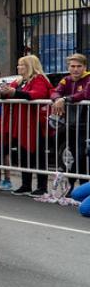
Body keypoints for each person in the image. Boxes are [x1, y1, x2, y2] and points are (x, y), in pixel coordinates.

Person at [0, 55, 53, 196]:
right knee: (23, 154)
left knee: (39, 155)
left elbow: (37, 94)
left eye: (21, 65)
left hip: (35, 123)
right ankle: (26, 184)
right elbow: (6, 94)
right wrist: (4, 92)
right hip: (22, 123)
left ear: (29, 66)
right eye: (18, 65)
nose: (18, 67)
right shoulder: (19, 81)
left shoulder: (39, 79)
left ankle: (42, 186)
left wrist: (14, 92)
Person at [50, 53, 90, 194]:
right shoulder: (66, 80)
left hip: (86, 125)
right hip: (71, 124)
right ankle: (72, 185)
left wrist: (65, 99)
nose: (75, 69)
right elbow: (54, 92)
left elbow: (85, 94)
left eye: (79, 66)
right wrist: (57, 99)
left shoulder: (88, 79)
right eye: (72, 66)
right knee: (74, 155)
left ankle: (84, 187)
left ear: (85, 67)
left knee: (83, 155)